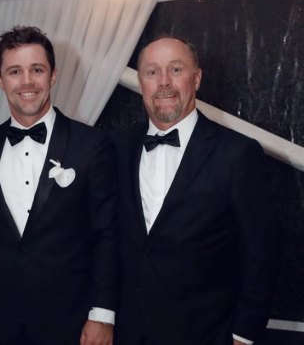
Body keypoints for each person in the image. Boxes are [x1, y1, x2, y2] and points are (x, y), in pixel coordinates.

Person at [112, 36, 277, 345]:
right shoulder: (115, 149)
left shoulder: (238, 154)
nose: (164, 82)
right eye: (152, 72)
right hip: (127, 333)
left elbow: (261, 255)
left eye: (175, 70)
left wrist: (243, 335)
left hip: (207, 335)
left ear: (197, 78)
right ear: (140, 82)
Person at [0, 26, 118, 345]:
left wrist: (103, 315)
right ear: (0, 79)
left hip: (76, 321)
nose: (26, 82)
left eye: (36, 70)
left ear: (53, 75)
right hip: (5, 320)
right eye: (15, 71)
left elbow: (107, 234)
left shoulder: (92, 145)